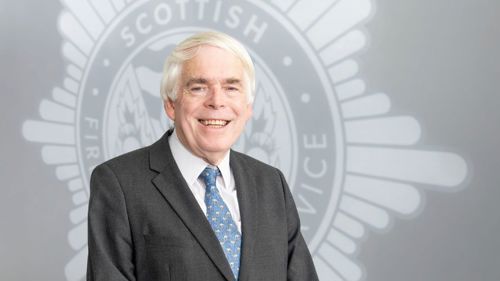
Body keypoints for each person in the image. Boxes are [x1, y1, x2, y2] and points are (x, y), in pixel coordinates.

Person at [87, 31, 318, 281]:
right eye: (198, 87)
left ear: (248, 106)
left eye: (231, 87)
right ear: (171, 104)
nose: (217, 101)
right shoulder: (119, 184)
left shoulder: (272, 184)